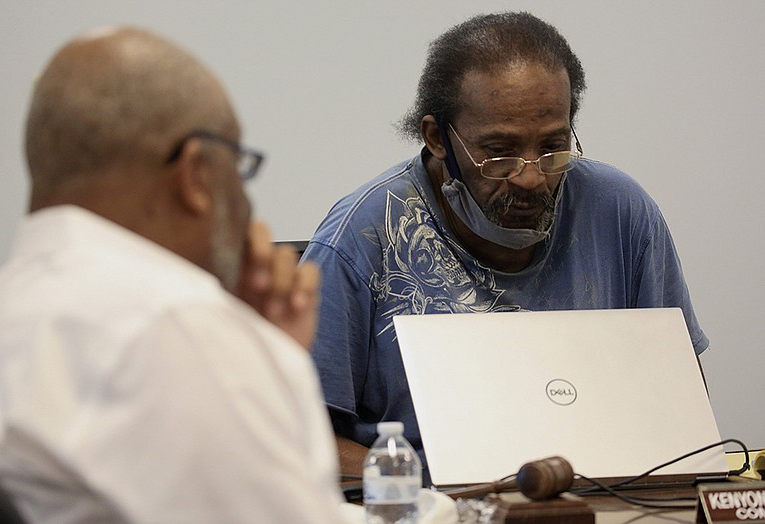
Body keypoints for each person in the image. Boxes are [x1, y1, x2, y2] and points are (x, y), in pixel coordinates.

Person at [302, 12, 709, 483]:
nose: (532, 176)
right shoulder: (361, 238)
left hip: (607, 501)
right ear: (437, 138)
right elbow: (296, 440)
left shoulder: (620, 212)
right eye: (500, 153)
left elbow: (686, 415)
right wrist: (428, 487)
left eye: (554, 146)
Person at [0, 27, 348, 523]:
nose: (247, 204)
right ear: (196, 175)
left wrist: (258, 349)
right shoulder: (171, 324)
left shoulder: (1, 308)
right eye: (240, 169)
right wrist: (266, 363)